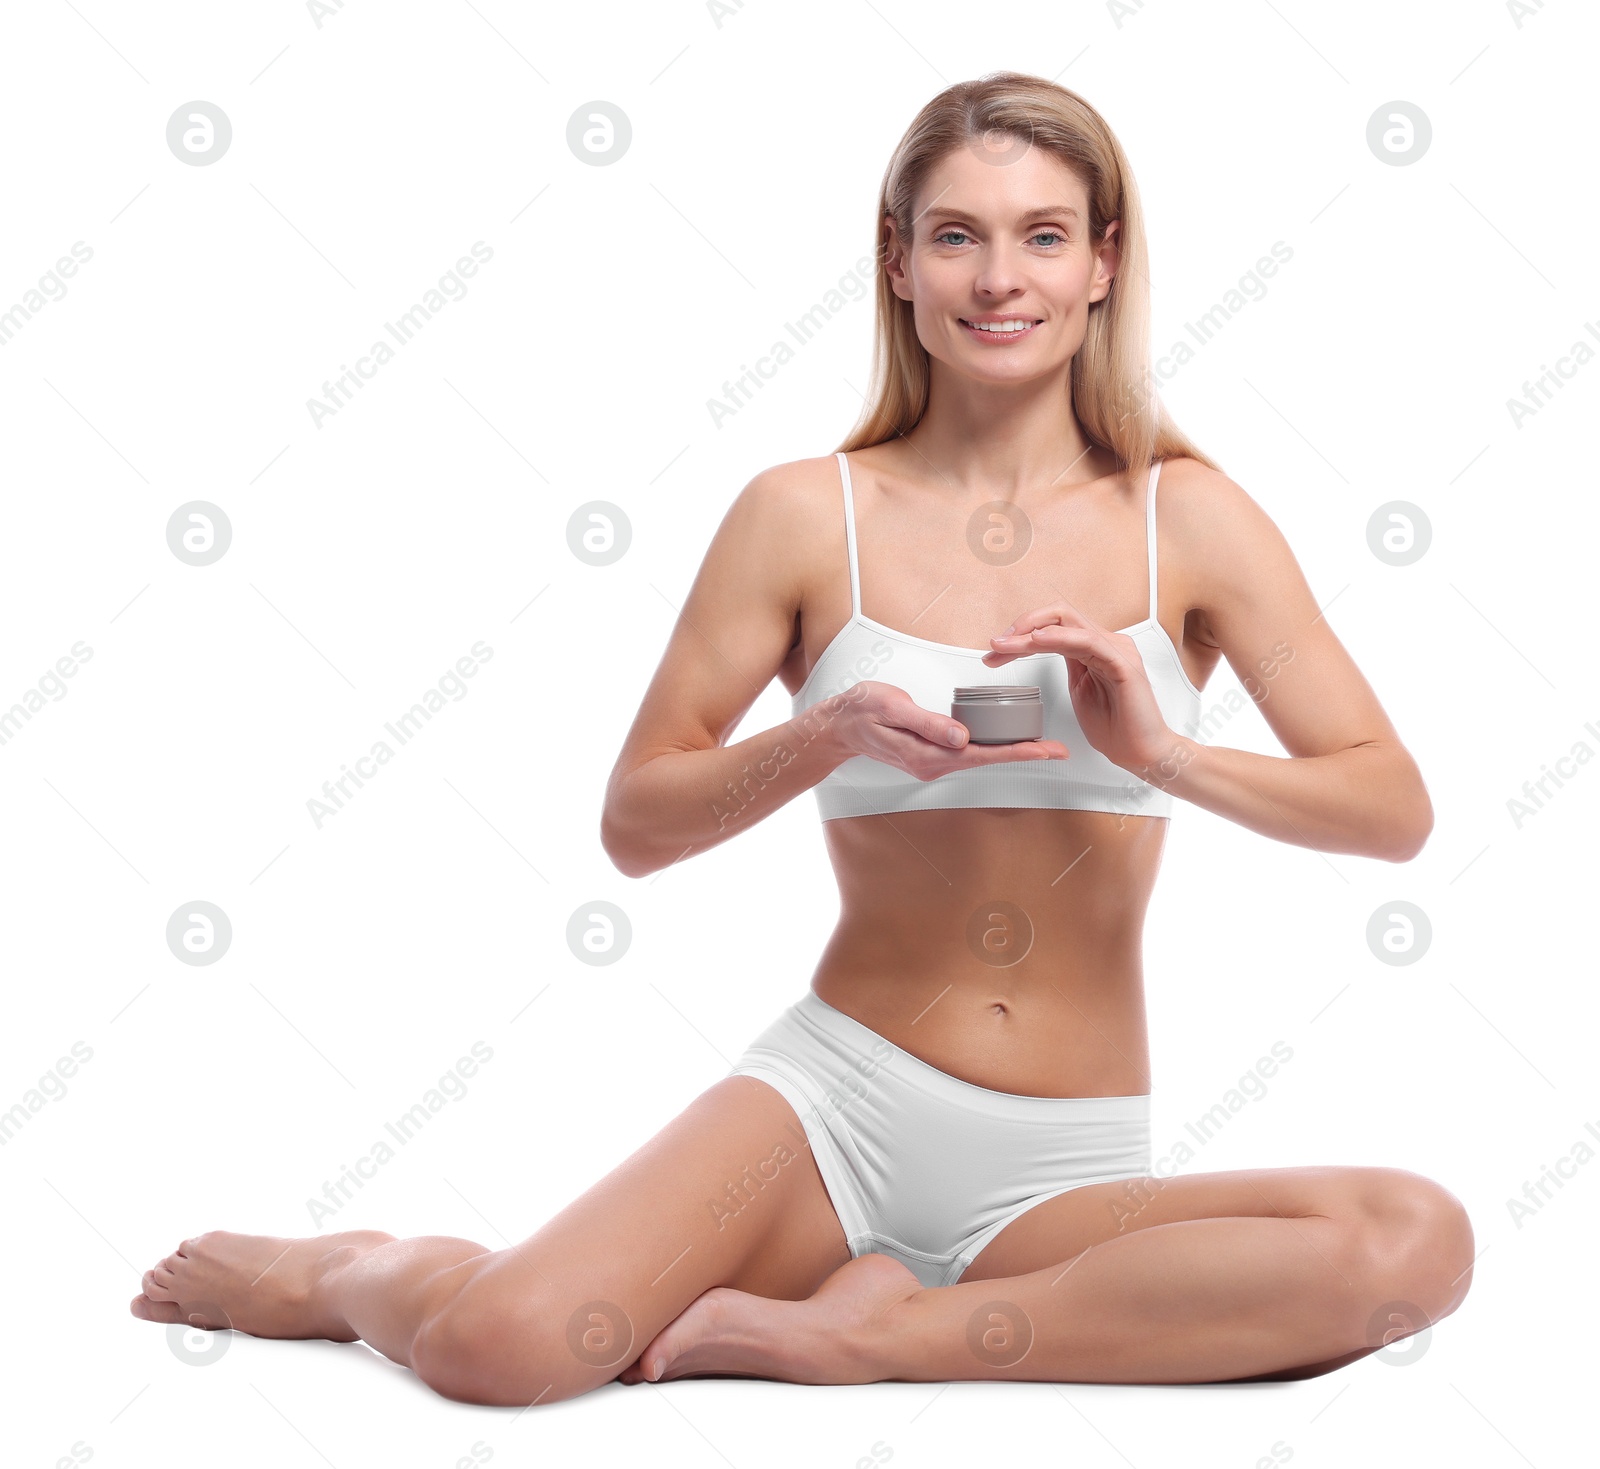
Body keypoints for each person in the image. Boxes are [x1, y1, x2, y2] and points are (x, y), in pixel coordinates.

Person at [130, 71, 1472, 1405]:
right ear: (897, 264)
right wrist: (821, 735)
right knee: (502, 1348)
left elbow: (1390, 805)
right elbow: (638, 819)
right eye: (956, 235)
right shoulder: (796, 515)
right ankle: (345, 1269)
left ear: (1105, 264)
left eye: (1043, 235)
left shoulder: (1195, 520)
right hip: (833, 1113)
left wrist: (1162, 755)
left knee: (1418, 1244)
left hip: (1066, 1167)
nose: (1000, 278)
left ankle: (869, 1331)